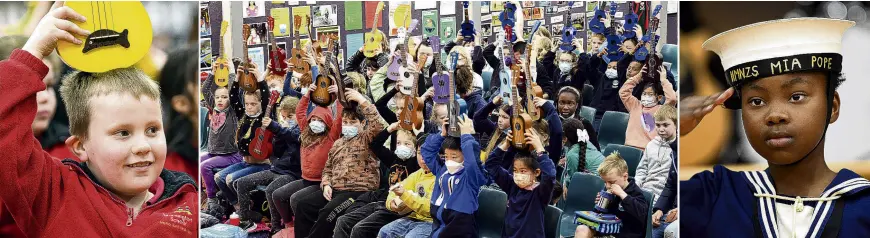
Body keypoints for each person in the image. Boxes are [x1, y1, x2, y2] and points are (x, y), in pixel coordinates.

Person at [0, 4, 197, 236]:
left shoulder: (188, 203)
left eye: (153, 130)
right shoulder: (53, 194)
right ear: (80, 146)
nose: (143, 146)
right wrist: (33, 50)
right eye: (123, 133)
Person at [681, 18, 870, 237]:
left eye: (796, 96)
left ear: (833, 107)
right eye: (757, 101)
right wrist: (668, 122)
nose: (775, 115)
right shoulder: (713, 196)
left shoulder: (864, 206)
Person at [291, 88, 384, 238]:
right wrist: (326, 183)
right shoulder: (338, 143)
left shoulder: (367, 139)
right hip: (334, 189)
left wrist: (361, 100)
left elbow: (378, 124)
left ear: (363, 123)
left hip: (358, 192)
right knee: (303, 205)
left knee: (328, 213)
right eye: (345, 122)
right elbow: (328, 168)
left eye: (352, 122)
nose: (347, 125)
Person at [271, 80, 343, 233]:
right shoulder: (306, 132)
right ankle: (289, 224)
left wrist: (337, 97)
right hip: (306, 179)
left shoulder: (332, 136)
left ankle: (305, 227)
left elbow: (340, 117)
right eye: (313, 120)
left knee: (296, 199)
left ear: (327, 122)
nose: (315, 123)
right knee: (277, 195)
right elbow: (300, 112)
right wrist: (308, 95)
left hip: (321, 182)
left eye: (320, 120)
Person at [233, 96, 302, 232]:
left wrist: (277, 128)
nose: (287, 119)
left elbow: (293, 137)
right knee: (241, 182)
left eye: (290, 116)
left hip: (292, 173)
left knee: (271, 190)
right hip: (277, 168)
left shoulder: (302, 129)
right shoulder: (285, 129)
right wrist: (277, 137)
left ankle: (276, 226)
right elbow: (277, 151)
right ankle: (246, 219)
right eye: (284, 116)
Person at [212, 63, 272, 213]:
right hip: (245, 162)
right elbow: (233, 98)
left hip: (261, 164)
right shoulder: (243, 116)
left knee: (231, 180)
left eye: (253, 104)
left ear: (260, 104)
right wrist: (237, 78)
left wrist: (259, 78)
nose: (249, 107)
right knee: (219, 177)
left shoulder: (265, 116)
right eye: (247, 104)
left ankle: (247, 208)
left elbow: (266, 97)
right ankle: (238, 204)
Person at [422, 115, 487, 237]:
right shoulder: (442, 169)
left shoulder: (471, 177)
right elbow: (426, 151)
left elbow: (473, 162)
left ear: (465, 155)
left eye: (454, 157)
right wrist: (442, 134)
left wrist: (467, 136)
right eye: (446, 157)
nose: (449, 161)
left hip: (461, 231)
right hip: (438, 227)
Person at [486, 129, 557, 237]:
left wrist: (540, 149)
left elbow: (550, 175)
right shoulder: (512, 185)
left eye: (523, 171)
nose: (518, 174)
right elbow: (491, 165)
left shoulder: (540, 192)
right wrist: (506, 144)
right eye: (515, 170)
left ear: (536, 172)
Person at [574, 153, 649, 238]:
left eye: (612, 182)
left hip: (625, 234)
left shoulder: (636, 192)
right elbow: (598, 217)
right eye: (605, 182)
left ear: (625, 176)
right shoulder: (610, 190)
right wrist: (600, 206)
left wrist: (623, 195)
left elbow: (642, 214)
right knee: (582, 229)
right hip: (606, 231)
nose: (608, 186)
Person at [376, 135, 437, 238]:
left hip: (432, 222)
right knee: (384, 232)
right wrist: (392, 203)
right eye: (419, 153)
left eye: (428, 153)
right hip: (413, 218)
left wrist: (404, 194)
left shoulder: (441, 176)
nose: (423, 159)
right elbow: (394, 190)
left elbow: (430, 208)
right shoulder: (417, 174)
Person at [619, 65, 676, 149]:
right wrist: (639, 76)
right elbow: (623, 92)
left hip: (649, 151)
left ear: (659, 97)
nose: (646, 96)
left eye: (650, 94)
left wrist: (664, 80)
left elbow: (672, 99)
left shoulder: (662, 110)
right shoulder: (635, 105)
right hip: (629, 147)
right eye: (644, 94)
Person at [635, 104, 676, 204]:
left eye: (665, 125)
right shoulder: (651, 145)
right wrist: (636, 189)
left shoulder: (680, 147)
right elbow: (642, 170)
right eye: (658, 125)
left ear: (676, 124)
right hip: (645, 191)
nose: (661, 129)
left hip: (666, 197)